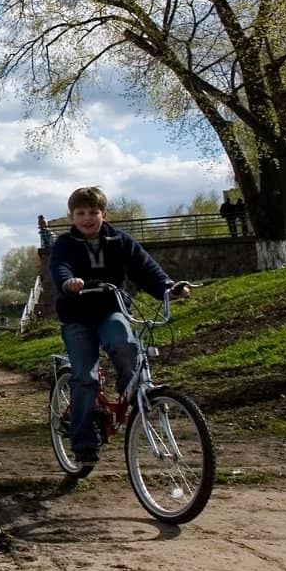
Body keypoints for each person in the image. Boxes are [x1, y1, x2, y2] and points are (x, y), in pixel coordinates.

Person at [49, 186, 190, 466]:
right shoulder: (65, 244)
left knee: (125, 344)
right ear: (71, 217)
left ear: (104, 214)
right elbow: (59, 267)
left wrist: (168, 287)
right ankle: (83, 442)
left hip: (111, 310)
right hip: (77, 316)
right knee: (85, 378)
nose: (87, 218)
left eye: (93, 212)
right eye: (81, 213)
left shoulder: (119, 240)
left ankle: (133, 392)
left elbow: (145, 268)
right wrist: (69, 282)